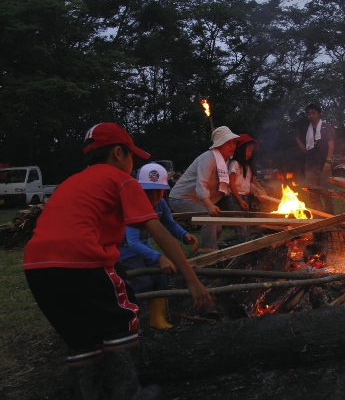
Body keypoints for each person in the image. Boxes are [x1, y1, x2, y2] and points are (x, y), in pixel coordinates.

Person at [23, 122, 211, 400]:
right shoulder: (122, 181)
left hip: (36, 266)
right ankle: (129, 393)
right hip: (82, 260)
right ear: (119, 153)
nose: (133, 163)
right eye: (132, 156)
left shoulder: (70, 183)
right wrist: (193, 281)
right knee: (121, 319)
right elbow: (160, 234)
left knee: (81, 335)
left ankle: (91, 394)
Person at [118, 162, 198, 330]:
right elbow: (132, 243)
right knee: (143, 283)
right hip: (125, 252)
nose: (153, 195)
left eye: (158, 190)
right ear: (139, 189)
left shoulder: (160, 203)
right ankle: (128, 320)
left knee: (161, 276)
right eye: (148, 191)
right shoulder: (134, 205)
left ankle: (157, 318)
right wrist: (159, 257)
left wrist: (184, 235)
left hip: (143, 250)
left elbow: (169, 224)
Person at [169, 126, 239, 248]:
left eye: (233, 142)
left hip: (197, 200)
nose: (232, 146)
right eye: (228, 143)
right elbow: (201, 183)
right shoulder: (209, 157)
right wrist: (209, 205)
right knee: (209, 219)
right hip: (180, 198)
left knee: (217, 227)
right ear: (219, 145)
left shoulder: (228, 161)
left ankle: (205, 251)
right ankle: (209, 255)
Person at [222, 134, 267, 240]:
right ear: (239, 150)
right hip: (234, 197)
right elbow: (231, 184)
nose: (249, 153)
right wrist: (239, 200)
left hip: (244, 197)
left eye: (251, 151)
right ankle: (241, 246)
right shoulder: (235, 164)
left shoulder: (247, 167)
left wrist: (262, 191)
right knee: (240, 224)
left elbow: (253, 180)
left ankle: (245, 243)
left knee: (246, 223)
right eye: (247, 150)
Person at [294, 103, 335, 214]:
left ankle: (330, 216)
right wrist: (297, 139)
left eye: (313, 113)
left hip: (324, 165)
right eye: (309, 113)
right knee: (313, 194)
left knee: (326, 192)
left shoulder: (326, 127)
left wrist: (328, 161)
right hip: (310, 166)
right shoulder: (307, 130)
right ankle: (318, 216)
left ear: (319, 114)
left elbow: (331, 144)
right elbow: (306, 150)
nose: (311, 115)